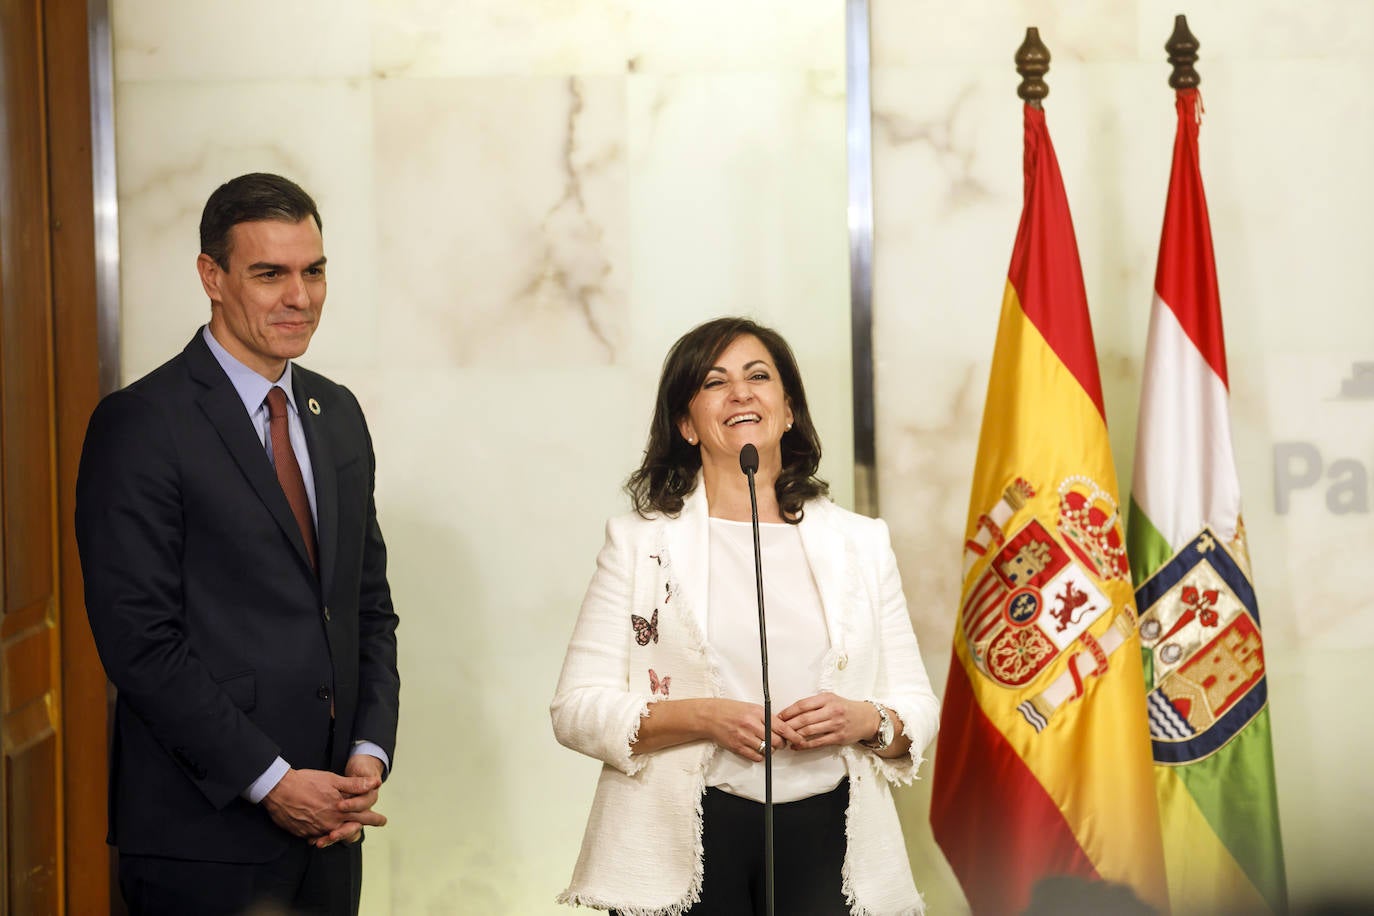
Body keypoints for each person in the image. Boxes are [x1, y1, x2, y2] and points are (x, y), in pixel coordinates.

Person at [75, 172, 400, 915]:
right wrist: (273, 781)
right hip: (204, 835)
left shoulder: (336, 412)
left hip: (332, 828)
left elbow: (366, 607)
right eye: (270, 274)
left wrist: (367, 751)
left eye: (313, 271)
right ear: (211, 278)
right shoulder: (141, 424)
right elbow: (139, 643)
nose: (300, 297)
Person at [551, 317, 940, 915]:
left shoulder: (861, 543)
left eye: (758, 376)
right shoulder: (637, 544)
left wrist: (861, 717)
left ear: (787, 411)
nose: (741, 392)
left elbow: (916, 705)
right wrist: (705, 717)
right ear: (686, 424)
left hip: (831, 829)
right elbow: (576, 709)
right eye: (715, 381)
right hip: (689, 829)